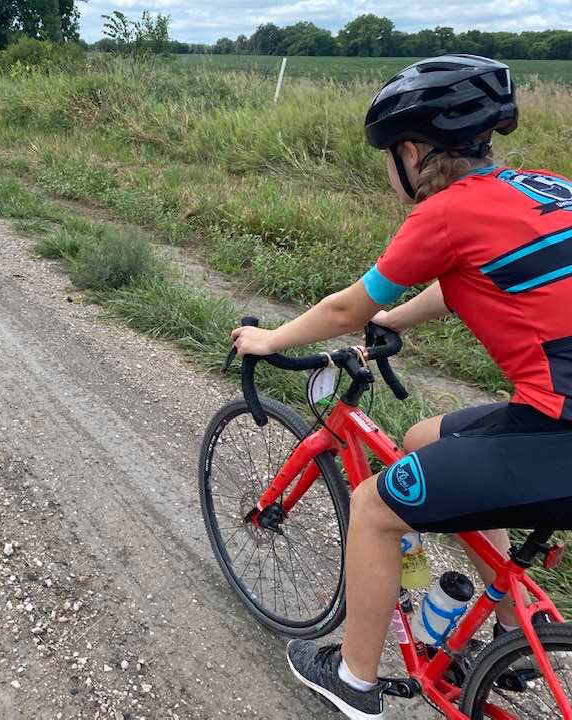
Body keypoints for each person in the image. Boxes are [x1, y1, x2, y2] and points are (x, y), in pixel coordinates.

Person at [231, 54, 572, 719]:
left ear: (412, 153)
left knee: (372, 505)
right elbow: (469, 280)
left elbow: (343, 309)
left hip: (558, 433)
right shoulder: (542, 188)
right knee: (422, 439)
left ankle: (354, 681)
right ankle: (513, 633)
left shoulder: (447, 212)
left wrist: (269, 340)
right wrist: (394, 320)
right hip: (548, 418)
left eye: (389, 156)